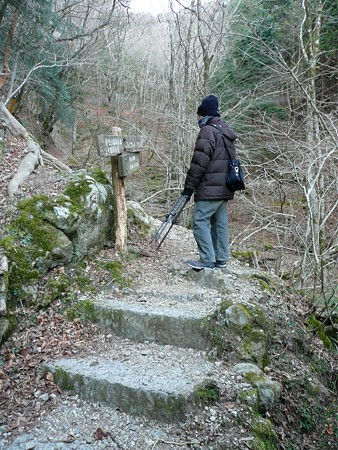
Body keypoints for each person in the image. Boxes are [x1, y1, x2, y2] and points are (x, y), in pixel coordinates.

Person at [182, 94, 238, 270]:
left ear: (204, 115)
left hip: (210, 187)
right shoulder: (225, 130)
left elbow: (199, 162)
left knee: (199, 220)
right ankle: (221, 258)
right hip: (226, 186)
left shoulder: (207, 131)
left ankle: (207, 259)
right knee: (219, 222)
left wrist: (189, 187)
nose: (197, 119)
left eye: (198, 115)